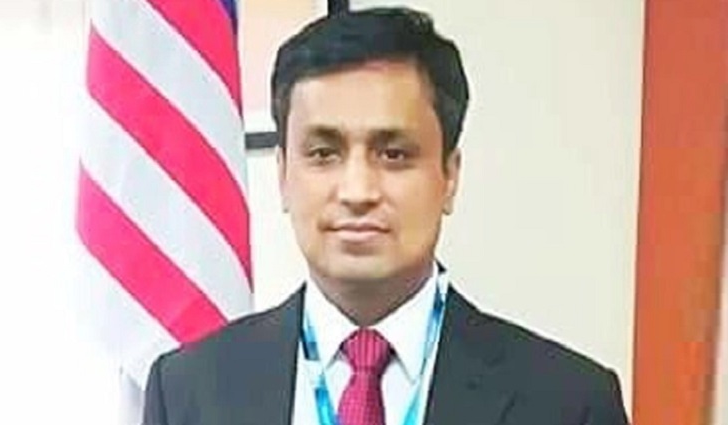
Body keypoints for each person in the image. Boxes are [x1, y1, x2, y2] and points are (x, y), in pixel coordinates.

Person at [143, 7, 630, 425]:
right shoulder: (189, 391)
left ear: (449, 175)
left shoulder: (568, 403)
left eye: (394, 154)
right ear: (283, 174)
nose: (357, 191)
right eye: (323, 153)